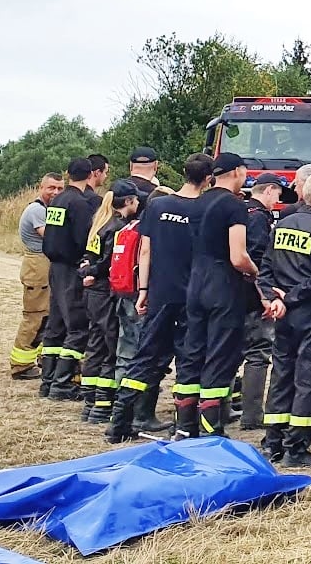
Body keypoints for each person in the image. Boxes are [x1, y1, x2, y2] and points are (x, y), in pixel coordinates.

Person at [110, 154, 211, 443]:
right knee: (189, 360)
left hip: (160, 293)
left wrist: (143, 291)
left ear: (183, 172)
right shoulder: (205, 209)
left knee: (145, 357)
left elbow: (145, 251)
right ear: (208, 178)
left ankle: (119, 423)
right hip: (193, 295)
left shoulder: (157, 205)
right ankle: (184, 426)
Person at [187, 154, 280, 436]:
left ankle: (186, 426)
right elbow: (238, 256)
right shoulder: (234, 205)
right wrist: (256, 276)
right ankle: (211, 429)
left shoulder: (196, 202)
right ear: (238, 172)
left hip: (194, 283)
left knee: (193, 353)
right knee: (220, 354)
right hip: (222, 285)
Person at [261, 171, 311, 467]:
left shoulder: (282, 225)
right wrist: (289, 298)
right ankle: (296, 447)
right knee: (309, 378)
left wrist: (274, 299)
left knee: (282, 374)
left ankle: (273, 441)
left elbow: (265, 268)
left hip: (283, 314)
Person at [78, 183, 140, 424]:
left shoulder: (100, 224)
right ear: (128, 202)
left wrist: (86, 270)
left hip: (93, 293)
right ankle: (103, 404)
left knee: (95, 344)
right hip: (106, 292)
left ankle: (90, 401)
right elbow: (109, 262)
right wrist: (94, 271)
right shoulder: (118, 228)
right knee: (111, 346)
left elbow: (90, 257)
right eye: (135, 201)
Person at [40, 158, 98, 402]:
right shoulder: (79, 203)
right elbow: (83, 238)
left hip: (54, 266)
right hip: (72, 268)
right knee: (77, 325)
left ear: (68, 174)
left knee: (56, 325)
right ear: (91, 175)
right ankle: (63, 383)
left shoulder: (58, 200)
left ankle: (48, 380)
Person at [233, 174, 283, 431]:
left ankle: (219, 409)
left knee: (230, 352)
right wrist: (265, 295)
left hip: (229, 294)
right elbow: (258, 259)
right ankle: (252, 415)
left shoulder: (239, 210)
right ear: (269, 190)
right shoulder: (260, 218)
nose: (278, 201)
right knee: (258, 354)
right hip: (252, 295)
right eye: (277, 195)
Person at [7, 174, 61, 379]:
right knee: (35, 317)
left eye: (59, 188)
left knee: (46, 316)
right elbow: (51, 236)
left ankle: (40, 358)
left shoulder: (46, 209)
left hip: (43, 264)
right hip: (37, 265)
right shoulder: (37, 210)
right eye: (51, 188)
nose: (55, 192)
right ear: (41, 187)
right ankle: (20, 365)